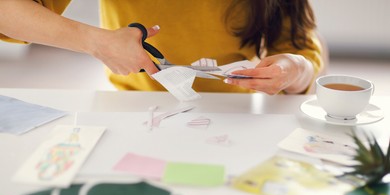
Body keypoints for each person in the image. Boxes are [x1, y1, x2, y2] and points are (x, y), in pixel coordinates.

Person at [0, 0, 324, 95]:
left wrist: (293, 70)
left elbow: (303, 54)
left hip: (237, 114)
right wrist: (95, 41)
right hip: (134, 108)